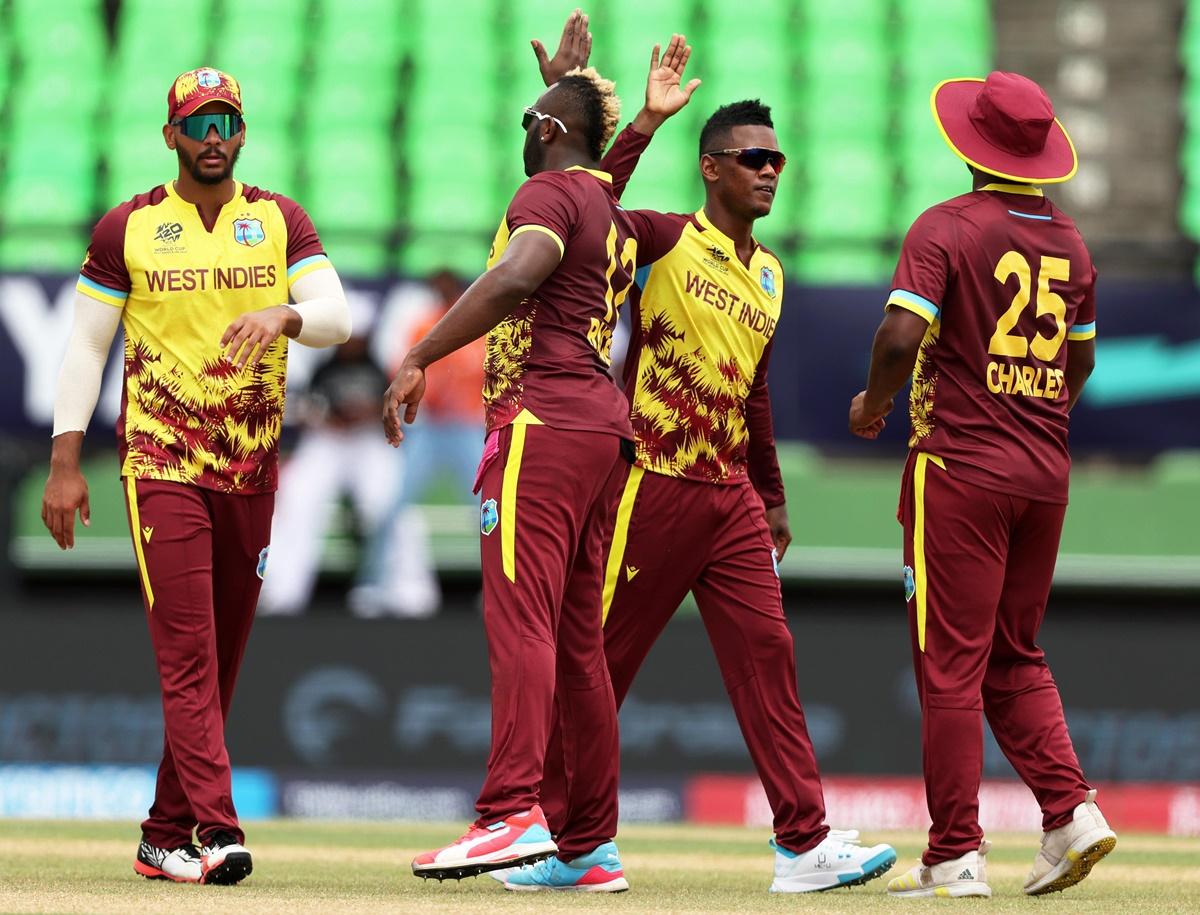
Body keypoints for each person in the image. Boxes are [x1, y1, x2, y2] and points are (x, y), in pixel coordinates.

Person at [524, 26, 896, 894]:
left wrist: (770, 496)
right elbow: (580, 208)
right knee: (596, 666)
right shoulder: (656, 238)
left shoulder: (768, 272)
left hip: (725, 493)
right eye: (751, 157)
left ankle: (803, 844)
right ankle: (559, 838)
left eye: (778, 159)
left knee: (770, 657)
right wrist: (637, 120)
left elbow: (753, 391)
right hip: (644, 480)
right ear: (711, 168)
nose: (769, 170)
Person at [384, 35, 697, 890]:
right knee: (577, 642)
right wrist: (622, 115)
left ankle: (509, 810)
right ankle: (587, 842)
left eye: (533, 120)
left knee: (521, 622)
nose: (525, 131)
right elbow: (592, 175)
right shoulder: (597, 199)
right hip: (602, 430)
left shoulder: (546, 192)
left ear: (546, 129)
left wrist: (421, 353)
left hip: (540, 423)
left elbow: (517, 275)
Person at [40, 67, 350, 885]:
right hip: (161, 461)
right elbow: (85, 349)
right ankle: (217, 827)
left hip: (250, 468)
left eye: (226, 123)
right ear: (170, 135)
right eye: (197, 124)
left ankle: (162, 832)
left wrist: (286, 313)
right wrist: (65, 463)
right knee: (188, 651)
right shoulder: (129, 227)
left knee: (224, 659)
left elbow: (336, 316)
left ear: (242, 134)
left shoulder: (279, 220)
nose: (213, 139)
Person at [847, 71, 1114, 898]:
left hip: (960, 469)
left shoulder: (948, 227)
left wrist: (874, 403)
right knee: (1013, 653)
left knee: (951, 666)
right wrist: (1032, 413)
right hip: (1044, 471)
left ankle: (955, 852)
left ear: (970, 143)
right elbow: (1083, 360)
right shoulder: (1070, 243)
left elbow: (899, 335)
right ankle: (1072, 813)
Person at [352, 269, 485, 617]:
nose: (444, 297)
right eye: (438, 291)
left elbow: (484, 372)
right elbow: (405, 371)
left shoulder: (479, 325)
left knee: (488, 510)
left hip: (467, 429)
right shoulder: (424, 325)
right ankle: (374, 582)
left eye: (449, 290)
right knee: (393, 504)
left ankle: (498, 590)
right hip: (428, 429)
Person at [258, 331, 396, 615]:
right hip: (328, 440)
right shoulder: (325, 368)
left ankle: (398, 589)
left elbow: (392, 408)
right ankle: (283, 591)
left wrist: (364, 414)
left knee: (385, 502)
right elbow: (311, 409)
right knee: (297, 498)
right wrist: (333, 418)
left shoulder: (377, 368)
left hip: (369, 441)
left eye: (358, 337)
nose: (352, 344)